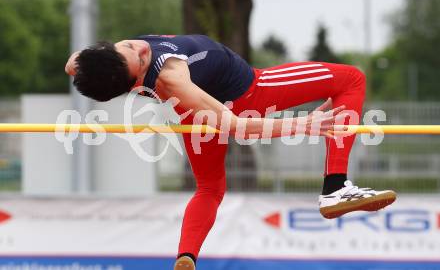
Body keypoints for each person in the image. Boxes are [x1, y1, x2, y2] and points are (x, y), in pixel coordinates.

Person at [65, 34, 396, 270]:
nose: (136, 46)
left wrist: (95, 57)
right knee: (352, 79)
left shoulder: (109, 65)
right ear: (136, 77)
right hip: (248, 92)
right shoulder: (172, 75)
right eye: (136, 56)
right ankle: (335, 186)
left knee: (210, 189)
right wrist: (304, 124)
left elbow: (71, 66)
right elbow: (237, 126)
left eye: (124, 47)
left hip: (189, 111)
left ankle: (186, 258)